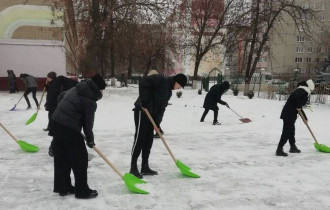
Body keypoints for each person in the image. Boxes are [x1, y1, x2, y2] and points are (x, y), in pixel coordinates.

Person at [50, 73, 106, 199]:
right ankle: (82, 191)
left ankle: (63, 187)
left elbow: (60, 96)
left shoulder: (76, 88)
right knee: (80, 159)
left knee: (62, 158)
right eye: (102, 89)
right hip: (69, 129)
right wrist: (90, 140)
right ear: (97, 88)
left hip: (56, 123)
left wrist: (66, 113)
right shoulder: (90, 100)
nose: (102, 92)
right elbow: (88, 124)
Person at [130, 73, 187, 179]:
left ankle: (144, 167)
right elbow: (143, 82)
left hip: (151, 117)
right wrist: (144, 101)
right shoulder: (160, 79)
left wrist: (157, 124)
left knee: (148, 141)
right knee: (139, 139)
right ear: (177, 82)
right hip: (142, 112)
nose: (179, 88)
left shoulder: (168, 93)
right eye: (180, 85)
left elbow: (162, 109)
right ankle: (133, 167)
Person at [276, 79, 315, 156]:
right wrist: (298, 106)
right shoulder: (302, 92)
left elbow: (299, 107)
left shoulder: (300, 90)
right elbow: (297, 103)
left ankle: (293, 147)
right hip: (289, 114)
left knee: (291, 131)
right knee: (286, 132)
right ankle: (279, 149)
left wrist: (305, 118)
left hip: (290, 114)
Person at [45, 73, 78, 156]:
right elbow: (50, 95)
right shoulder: (53, 84)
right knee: (58, 128)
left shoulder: (57, 85)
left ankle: (55, 147)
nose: (47, 79)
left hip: (57, 108)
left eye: (48, 77)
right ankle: (54, 147)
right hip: (57, 109)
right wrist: (47, 87)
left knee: (58, 127)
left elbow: (55, 96)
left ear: (51, 77)